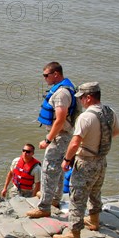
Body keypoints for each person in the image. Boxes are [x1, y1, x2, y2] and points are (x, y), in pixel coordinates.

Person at [53, 82, 119, 238]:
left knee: (77, 198)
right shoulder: (110, 112)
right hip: (101, 161)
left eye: (82, 97)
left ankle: (74, 235)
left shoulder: (86, 117)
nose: (80, 101)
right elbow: (116, 132)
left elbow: (75, 143)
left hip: (85, 162)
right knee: (95, 192)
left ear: (89, 97)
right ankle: (94, 220)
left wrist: (67, 160)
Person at [26, 62, 77, 218]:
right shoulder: (66, 88)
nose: (44, 78)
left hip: (60, 136)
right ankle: (55, 198)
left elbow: (60, 119)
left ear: (56, 74)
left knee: (48, 170)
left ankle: (44, 207)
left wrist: (48, 140)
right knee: (60, 169)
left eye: (46, 75)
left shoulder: (61, 94)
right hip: (64, 135)